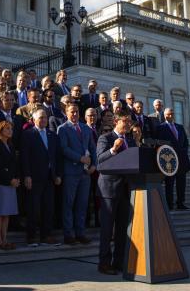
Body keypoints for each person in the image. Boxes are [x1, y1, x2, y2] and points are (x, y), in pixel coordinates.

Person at [96, 109, 135, 275]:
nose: (127, 124)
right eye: (124, 121)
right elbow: (100, 160)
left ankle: (119, 262)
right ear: (116, 122)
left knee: (122, 229)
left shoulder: (132, 141)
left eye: (129, 121)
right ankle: (104, 263)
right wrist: (113, 149)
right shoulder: (105, 138)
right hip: (109, 190)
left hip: (126, 190)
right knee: (107, 229)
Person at [21, 108, 62, 246]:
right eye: (40, 117)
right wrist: (27, 175)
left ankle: (46, 235)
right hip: (34, 177)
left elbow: (57, 157)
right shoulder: (28, 134)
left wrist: (57, 175)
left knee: (48, 208)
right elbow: (25, 157)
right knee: (33, 208)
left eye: (45, 117)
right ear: (33, 120)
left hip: (49, 178)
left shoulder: (52, 135)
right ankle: (31, 236)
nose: (43, 120)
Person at [57, 103, 97, 245]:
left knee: (82, 204)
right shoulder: (62, 129)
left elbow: (93, 148)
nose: (74, 114)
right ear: (66, 113)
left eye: (77, 112)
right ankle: (68, 234)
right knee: (68, 203)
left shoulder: (86, 128)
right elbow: (64, 149)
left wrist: (94, 165)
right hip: (71, 172)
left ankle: (80, 233)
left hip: (85, 173)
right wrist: (79, 158)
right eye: (72, 112)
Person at [0, 120, 20, 251]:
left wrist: (16, 178)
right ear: (0, 130)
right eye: (7, 129)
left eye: (11, 129)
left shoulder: (10, 145)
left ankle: (5, 239)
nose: (10, 131)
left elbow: (14, 164)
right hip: (0, 183)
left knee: (7, 214)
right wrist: (9, 179)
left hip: (11, 183)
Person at [156, 107, 190, 210]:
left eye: (172, 114)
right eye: (168, 114)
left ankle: (180, 203)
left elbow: (185, 141)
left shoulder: (179, 127)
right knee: (169, 183)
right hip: (169, 159)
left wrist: (184, 151)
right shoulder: (161, 128)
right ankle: (169, 204)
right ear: (164, 115)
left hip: (181, 158)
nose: (170, 116)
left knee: (181, 182)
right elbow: (159, 143)